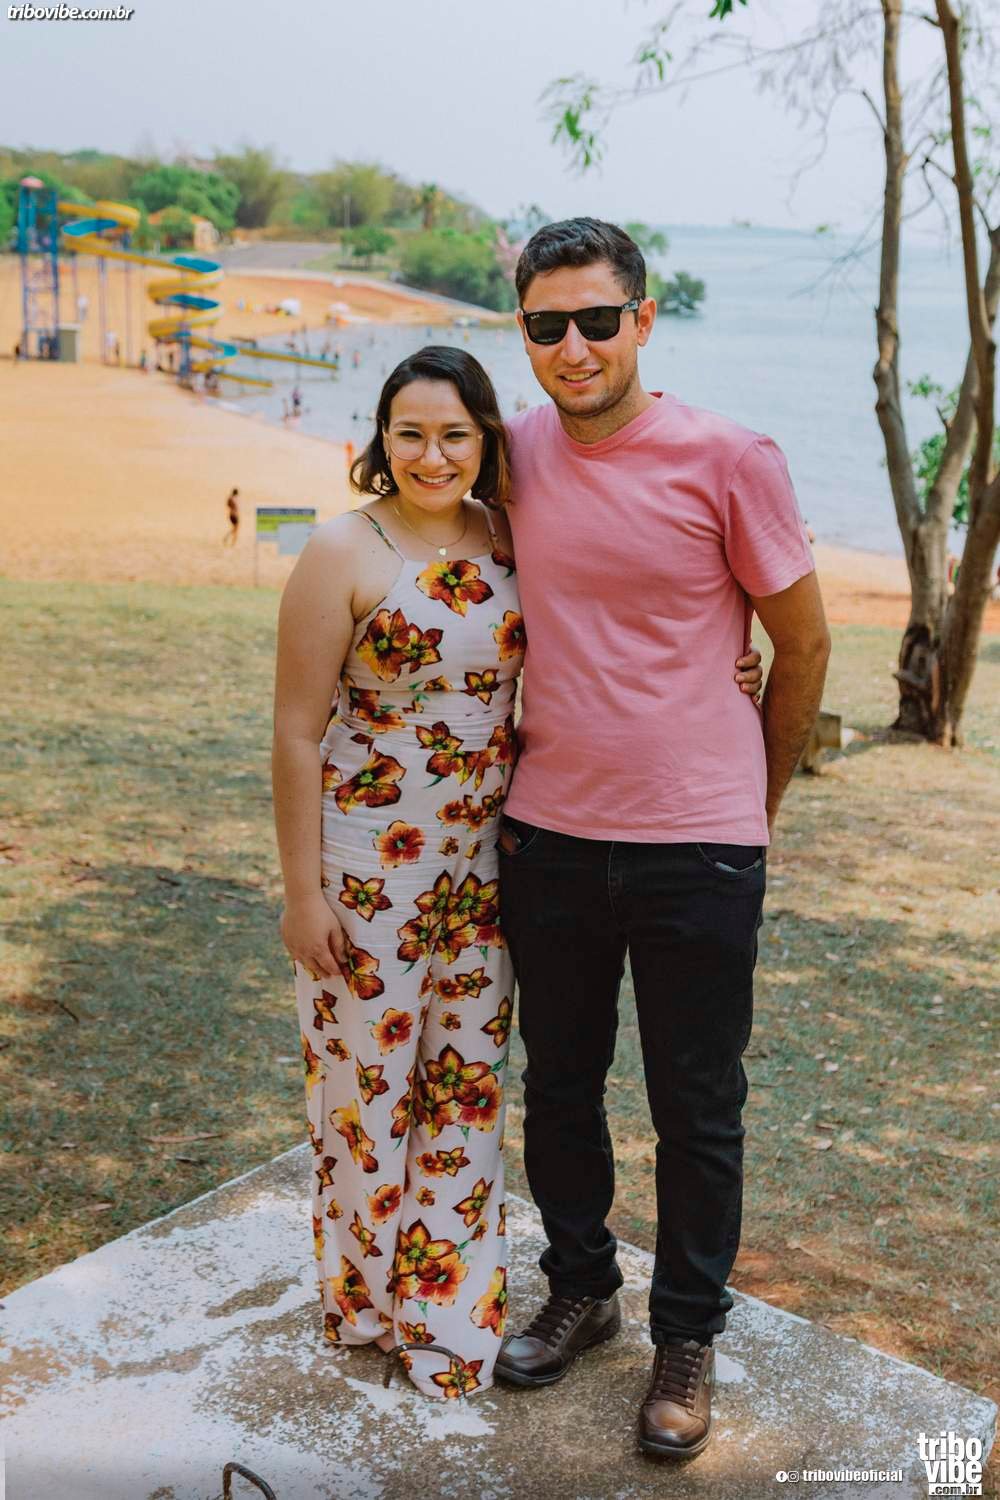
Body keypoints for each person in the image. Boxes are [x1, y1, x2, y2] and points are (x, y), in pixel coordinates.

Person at [271, 346, 763, 1401]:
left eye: (454, 433)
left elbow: (612, 618)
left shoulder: (506, 534)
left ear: (487, 440)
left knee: (465, 1091)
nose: (431, 454)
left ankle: (445, 1306)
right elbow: (294, 732)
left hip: (491, 869)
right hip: (368, 871)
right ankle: (368, 1302)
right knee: (369, 1095)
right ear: (380, 438)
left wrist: (730, 658)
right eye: (410, 432)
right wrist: (302, 893)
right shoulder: (341, 549)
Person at [492, 219, 830, 1460]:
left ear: (642, 319)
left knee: (696, 1106)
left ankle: (686, 1337)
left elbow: (802, 644)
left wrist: (752, 801)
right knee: (558, 1087)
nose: (572, 347)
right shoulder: (509, 454)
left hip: (698, 846)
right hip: (548, 834)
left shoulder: (731, 458)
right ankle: (581, 1288)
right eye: (546, 325)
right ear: (523, 331)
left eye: (596, 319)